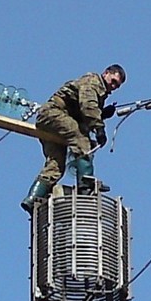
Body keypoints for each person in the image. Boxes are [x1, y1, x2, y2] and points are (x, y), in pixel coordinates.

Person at [21, 64, 126, 213]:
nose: (113, 86)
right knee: (81, 140)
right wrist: (99, 128)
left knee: (56, 165)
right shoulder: (93, 82)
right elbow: (88, 107)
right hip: (53, 114)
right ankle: (86, 185)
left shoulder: (98, 92)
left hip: (53, 122)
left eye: (117, 85)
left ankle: (33, 199)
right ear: (106, 73)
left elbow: (83, 114)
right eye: (113, 81)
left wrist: (102, 114)